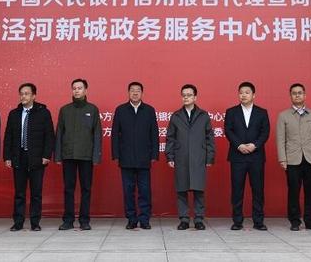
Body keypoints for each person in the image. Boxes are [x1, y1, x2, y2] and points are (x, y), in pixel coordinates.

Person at [3, 83, 55, 231]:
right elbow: (8, 136)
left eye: (26, 93)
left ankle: (35, 222)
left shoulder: (43, 113)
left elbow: (49, 135)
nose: (23, 96)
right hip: (18, 156)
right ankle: (18, 222)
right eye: (21, 93)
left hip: (37, 157)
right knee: (19, 193)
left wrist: (46, 155)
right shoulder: (14, 114)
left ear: (34, 96)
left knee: (36, 193)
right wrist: (7, 156)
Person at [165, 84, 215, 230]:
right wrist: (170, 157)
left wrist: (209, 157)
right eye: (184, 95)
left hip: (199, 157)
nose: (186, 97)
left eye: (189, 95)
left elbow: (210, 138)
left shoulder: (203, 116)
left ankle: (199, 219)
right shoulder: (176, 116)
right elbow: (170, 138)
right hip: (181, 157)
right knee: (181, 190)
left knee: (199, 190)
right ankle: (184, 219)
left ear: (195, 97)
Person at [276, 83, 311, 231]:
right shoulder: (283, 115)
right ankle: (295, 221)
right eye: (294, 93)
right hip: (292, 159)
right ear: (290, 96)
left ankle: (310, 220)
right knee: (293, 191)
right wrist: (282, 158)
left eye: (300, 93)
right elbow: (280, 139)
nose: (297, 95)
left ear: (305, 95)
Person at [55, 78, 102, 230]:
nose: (76, 90)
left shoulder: (92, 109)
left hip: (86, 155)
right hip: (68, 155)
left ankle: (84, 220)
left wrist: (96, 156)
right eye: (74, 88)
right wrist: (58, 155)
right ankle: (68, 220)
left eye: (79, 88)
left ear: (85, 90)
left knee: (86, 189)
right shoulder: (65, 110)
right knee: (68, 188)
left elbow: (97, 134)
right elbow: (59, 133)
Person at [111, 81, 159, 230]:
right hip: (126, 158)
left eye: (138, 90)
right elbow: (115, 134)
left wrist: (154, 154)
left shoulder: (149, 110)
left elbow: (154, 134)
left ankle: (144, 219)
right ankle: (131, 219)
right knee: (128, 191)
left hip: (144, 158)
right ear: (128, 93)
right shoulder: (121, 110)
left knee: (145, 191)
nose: (135, 93)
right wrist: (116, 154)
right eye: (132, 90)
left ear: (142, 93)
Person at [224, 81, 270, 231]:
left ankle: (258, 221)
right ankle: (237, 221)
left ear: (253, 95)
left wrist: (254, 145)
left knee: (258, 190)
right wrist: (239, 145)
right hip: (237, 156)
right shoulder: (231, 112)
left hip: (256, 156)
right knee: (237, 190)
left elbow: (265, 132)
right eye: (241, 92)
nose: (243, 95)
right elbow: (228, 131)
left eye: (247, 92)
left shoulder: (262, 112)